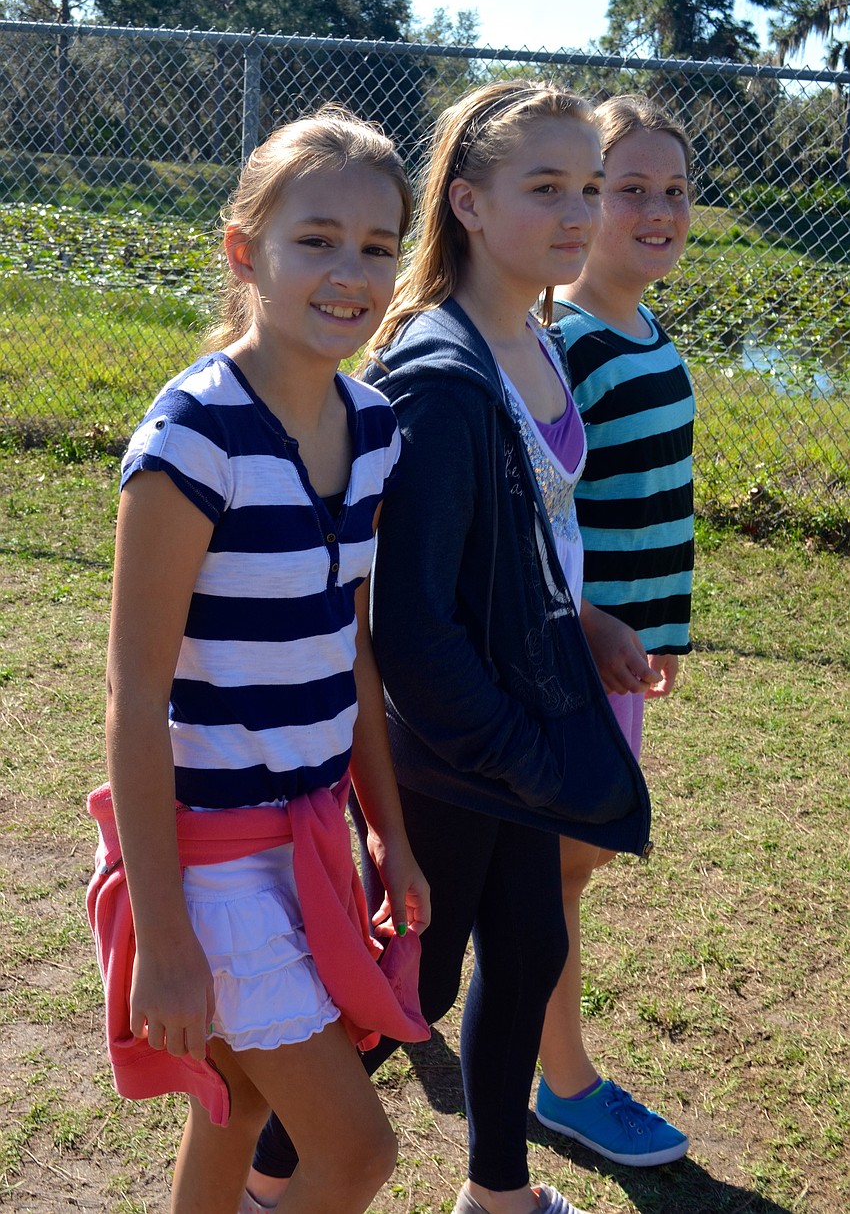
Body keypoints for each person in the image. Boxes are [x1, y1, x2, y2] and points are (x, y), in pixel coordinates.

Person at [245, 80, 653, 1214]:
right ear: (468, 203)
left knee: (526, 950)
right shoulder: (441, 373)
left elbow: (513, 544)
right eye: (545, 187)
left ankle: (498, 1194)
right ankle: (266, 1184)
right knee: (409, 982)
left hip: (518, 719)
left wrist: (584, 621)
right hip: (458, 745)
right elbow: (413, 624)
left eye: (590, 187)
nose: (579, 213)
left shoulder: (536, 339)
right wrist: (517, 751)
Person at [88, 106, 433, 1214]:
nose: (351, 272)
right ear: (245, 251)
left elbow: (349, 649)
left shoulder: (375, 428)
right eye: (316, 240)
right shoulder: (192, 436)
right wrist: (168, 937)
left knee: (233, 1106)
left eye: (376, 247)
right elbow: (135, 698)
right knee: (355, 1153)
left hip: (311, 838)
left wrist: (387, 830)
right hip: (211, 865)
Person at [534, 94, 695, 1167]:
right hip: (570, 660)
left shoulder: (648, 330)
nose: (657, 209)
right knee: (557, 867)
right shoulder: (564, 345)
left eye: (674, 190)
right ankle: (562, 1080)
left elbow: (653, 502)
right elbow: (537, 519)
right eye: (628, 188)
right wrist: (592, 620)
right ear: (583, 205)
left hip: (623, 661)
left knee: (570, 863)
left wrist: (661, 626)